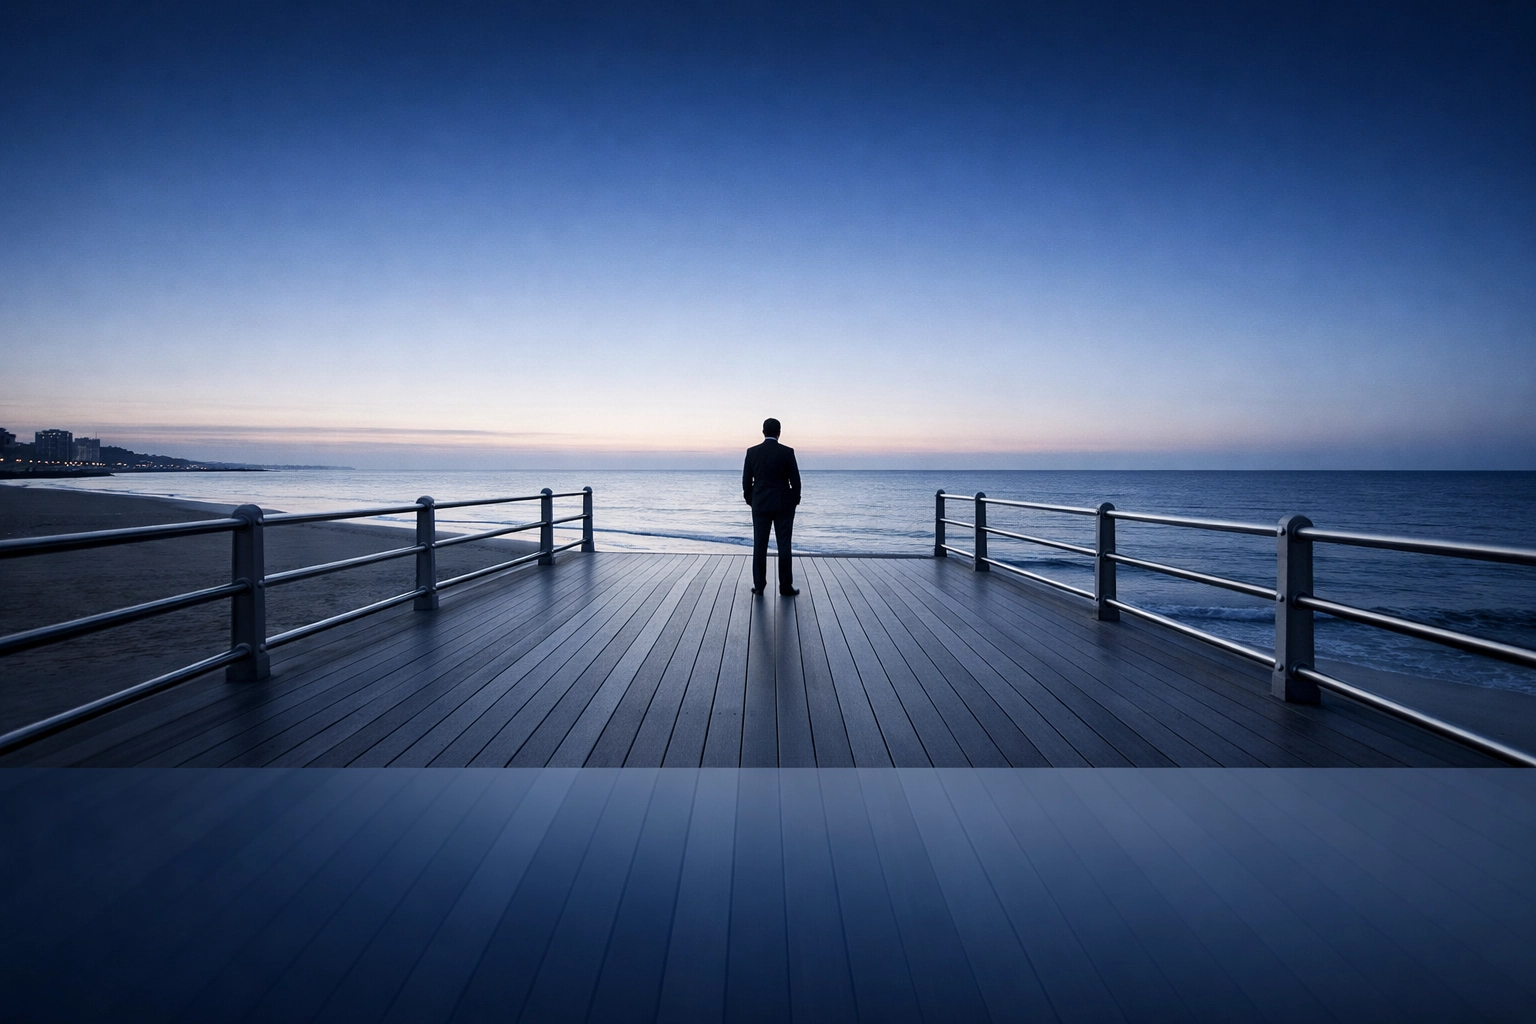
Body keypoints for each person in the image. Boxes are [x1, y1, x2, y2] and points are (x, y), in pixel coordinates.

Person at [742, 417, 801, 596]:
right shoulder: (787, 452)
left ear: (763, 432)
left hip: (760, 504)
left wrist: (751, 499)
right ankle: (785, 586)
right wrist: (794, 500)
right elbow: (796, 481)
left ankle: (759, 585)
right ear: (779, 432)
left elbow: (746, 481)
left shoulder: (752, 452)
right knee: (784, 545)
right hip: (783, 504)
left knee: (760, 544)